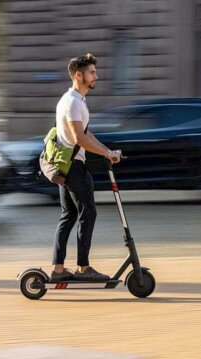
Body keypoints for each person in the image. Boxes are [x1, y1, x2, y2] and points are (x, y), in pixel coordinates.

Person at [51, 53, 121, 282]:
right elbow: (78, 137)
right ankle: (83, 268)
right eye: (92, 72)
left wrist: (106, 151)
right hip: (73, 167)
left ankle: (58, 269)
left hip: (67, 164)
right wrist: (105, 153)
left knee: (69, 214)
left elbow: (87, 133)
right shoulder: (72, 102)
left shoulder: (76, 100)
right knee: (88, 213)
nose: (96, 76)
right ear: (78, 75)